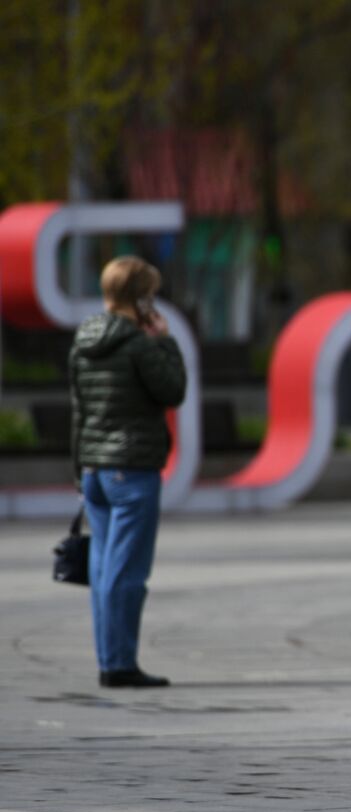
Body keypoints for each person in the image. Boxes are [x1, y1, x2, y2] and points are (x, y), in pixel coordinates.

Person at [69, 256, 186, 689]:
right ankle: (119, 665)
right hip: (132, 469)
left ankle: (109, 658)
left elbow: (79, 412)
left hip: (96, 469)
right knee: (127, 573)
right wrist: (165, 344)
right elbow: (173, 391)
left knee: (103, 571)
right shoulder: (140, 346)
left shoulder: (83, 340)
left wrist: (80, 471)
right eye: (150, 294)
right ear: (140, 297)